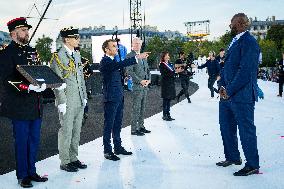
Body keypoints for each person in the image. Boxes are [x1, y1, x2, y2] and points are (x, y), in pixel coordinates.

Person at [0, 17, 48, 188]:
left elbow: (39, 72)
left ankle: (32, 171)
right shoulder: (6, 53)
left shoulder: (32, 51)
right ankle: (22, 175)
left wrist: (45, 85)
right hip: (19, 105)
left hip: (35, 104)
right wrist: (27, 87)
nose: (27, 32)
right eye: (23, 30)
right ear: (14, 33)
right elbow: (6, 79)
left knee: (34, 140)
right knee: (21, 141)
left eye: (27, 30)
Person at [217, 13, 260, 176]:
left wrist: (230, 89)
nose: (230, 26)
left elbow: (245, 71)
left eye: (232, 24)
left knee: (245, 129)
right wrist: (221, 86)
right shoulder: (234, 41)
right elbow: (226, 66)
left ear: (241, 24)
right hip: (226, 94)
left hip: (241, 96)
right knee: (226, 127)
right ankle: (233, 157)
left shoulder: (250, 42)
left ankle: (253, 164)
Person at [99, 39, 149, 161]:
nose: (116, 48)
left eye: (116, 46)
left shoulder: (114, 60)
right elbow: (118, 65)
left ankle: (118, 147)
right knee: (108, 125)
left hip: (119, 96)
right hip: (110, 98)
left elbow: (118, 71)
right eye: (114, 46)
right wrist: (136, 57)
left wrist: (124, 77)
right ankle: (107, 150)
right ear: (107, 49)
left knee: (117, 124)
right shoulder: (105, 61)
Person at [50, 27, 88, 172]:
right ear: (67, 39)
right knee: (66, 130)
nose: (78, 40)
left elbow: (81, 79)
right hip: (67, 100)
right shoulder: (58, 57)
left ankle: (73, 158)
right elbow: (57, 82)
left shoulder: (77, 55)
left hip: (78, 98)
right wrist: (62, 102)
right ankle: (65, 161)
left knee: (76, 130)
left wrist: (84, 96)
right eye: (76, 38)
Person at [126, 37, 151, 136]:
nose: (137, 45)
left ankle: (141, 126)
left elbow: (147, 70)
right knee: (136, 108)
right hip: (137, 86)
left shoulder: (143, 56)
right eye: (135, 43)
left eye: (139, 43)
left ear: (141, 45)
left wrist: (148, 80)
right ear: (132, 44)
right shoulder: (130, 56)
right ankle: (133, 129)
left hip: (145, 86)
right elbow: (130, 71)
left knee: (142, 108)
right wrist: (140, 81)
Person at [159, 51, 183, 121]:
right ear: (164, 56)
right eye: (167, 55)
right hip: (166, 84)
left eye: (168, 55)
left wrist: (175, 72)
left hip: (171, 83)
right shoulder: (162, 64)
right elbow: (164, 74)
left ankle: (168, 114)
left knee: (169, 99)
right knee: (165, 99)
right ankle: (164, 115)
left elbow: (172, 72)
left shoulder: (169, 63)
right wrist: (174, 72)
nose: (168, 56)